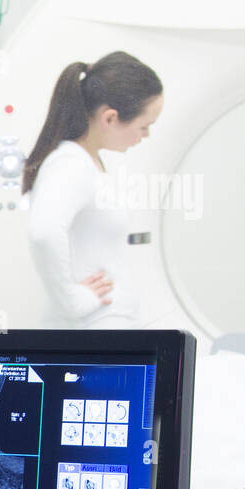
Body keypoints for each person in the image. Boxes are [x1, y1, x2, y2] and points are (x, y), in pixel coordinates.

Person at [23, 51, 163, 328]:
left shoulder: (89, 162)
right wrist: (71, 300)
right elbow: (43, 232)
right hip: (93, 325)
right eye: (144, 126)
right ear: (110, 118)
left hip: (104, 322)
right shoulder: (70, 165)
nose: (146, 135)